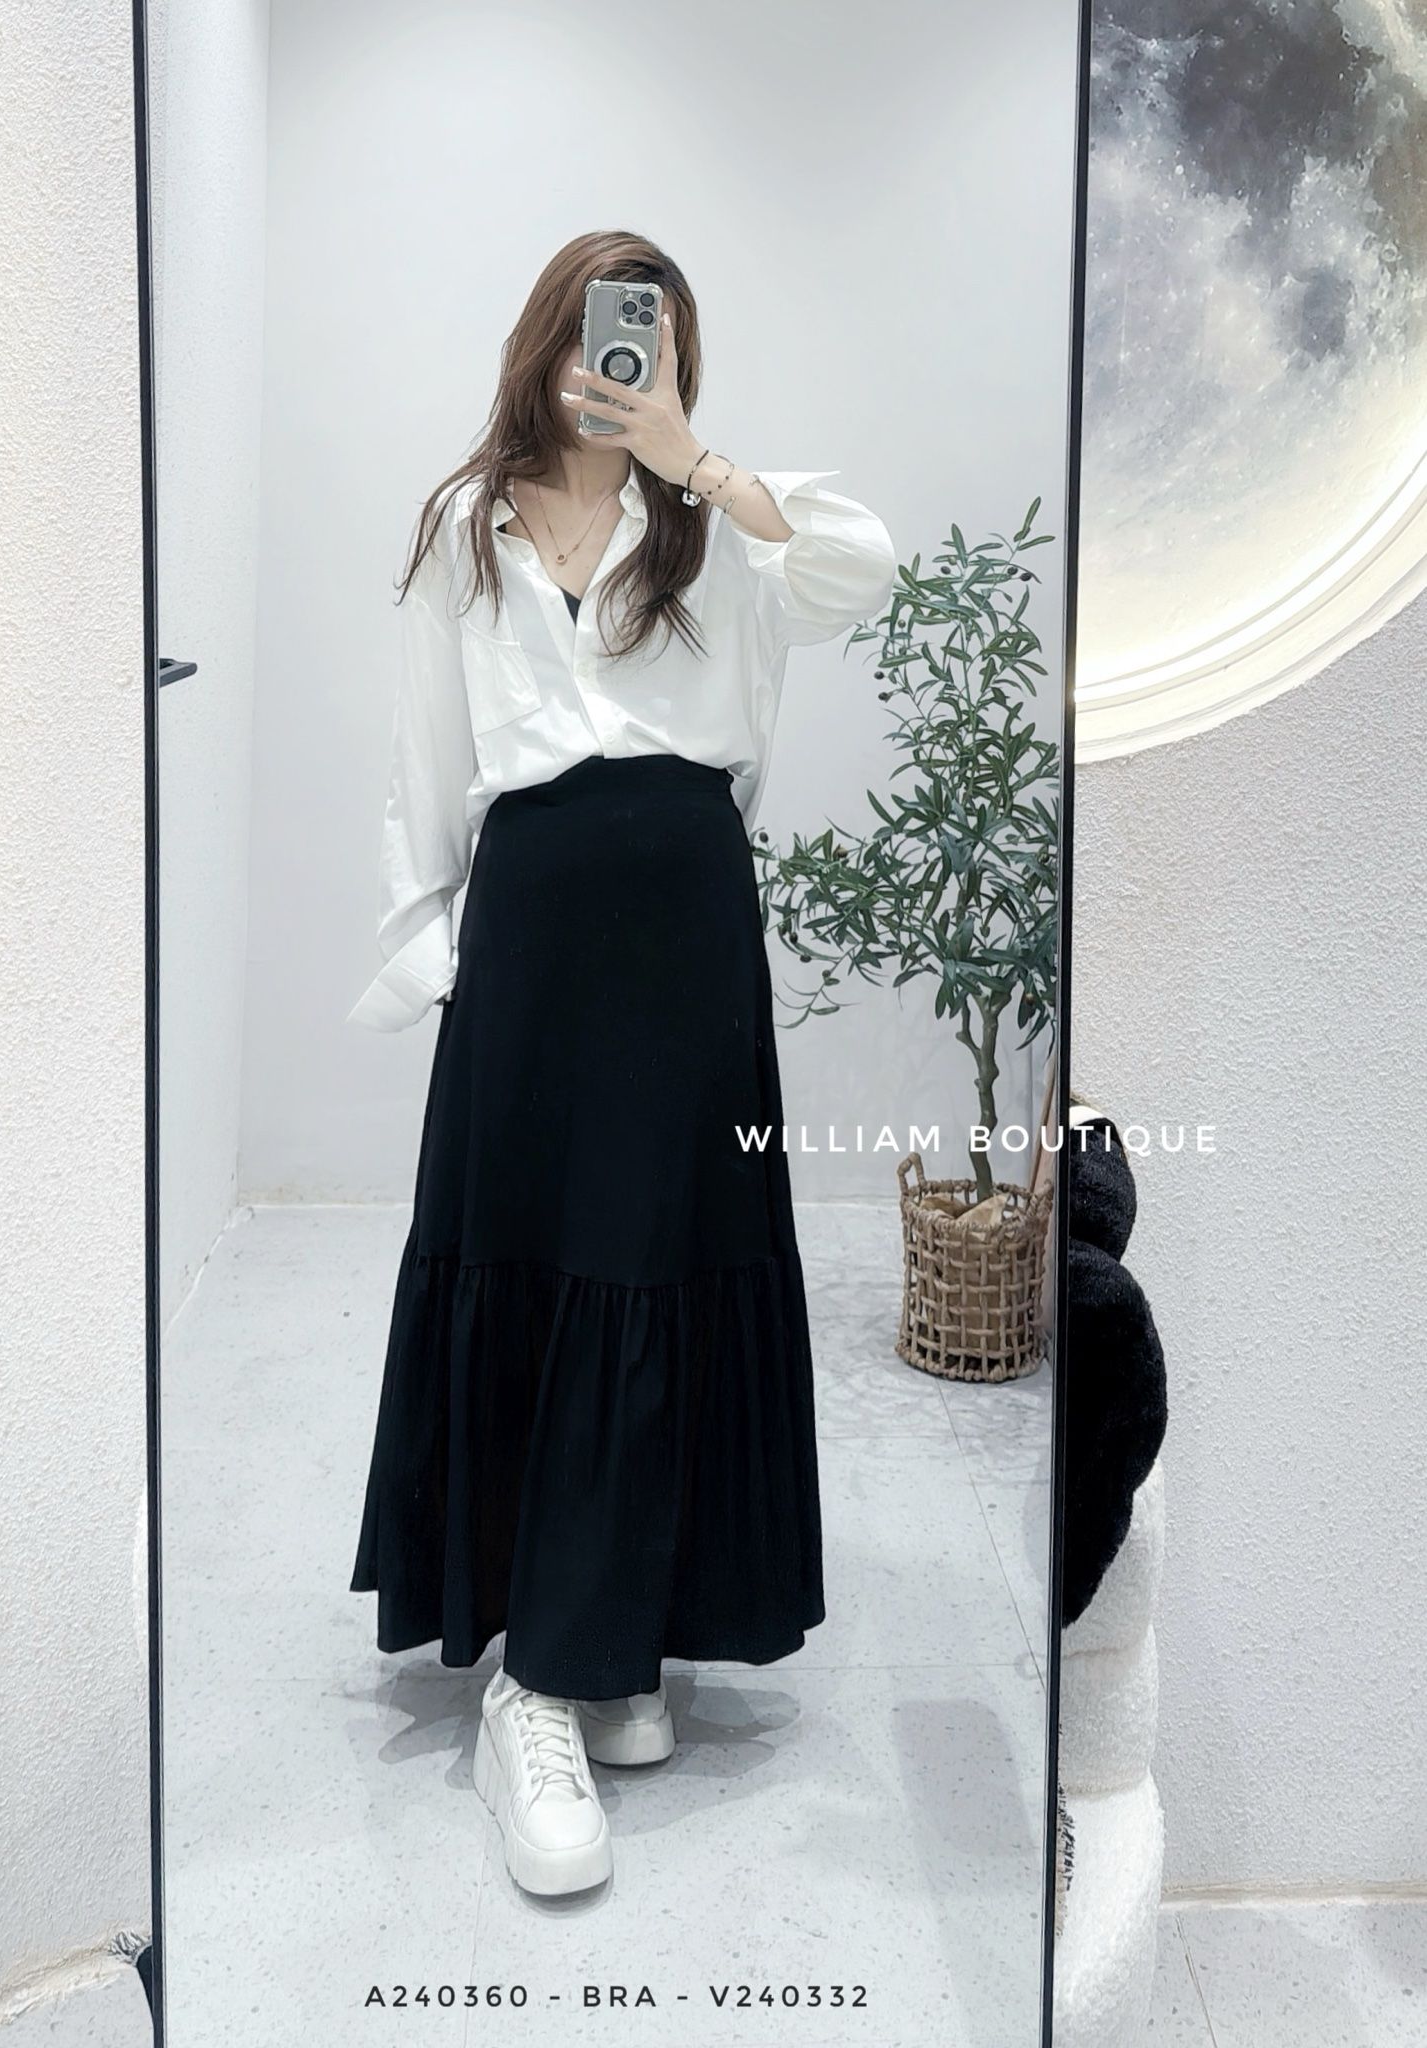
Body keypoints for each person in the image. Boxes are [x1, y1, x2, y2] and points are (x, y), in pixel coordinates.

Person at [347, 229, 897, 1897]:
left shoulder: (713, 523)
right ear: (549, 341)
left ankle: (621, 1632)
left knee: (663, 1263)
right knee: (540, 1258)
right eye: (599, 334)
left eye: (650, 340)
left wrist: (696, 460)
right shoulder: (469, 524)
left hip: (684, 941)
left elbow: (864, 569)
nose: (620, 360)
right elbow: (423, 751)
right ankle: (536, 1674)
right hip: (533, 940)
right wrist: (441, 946)